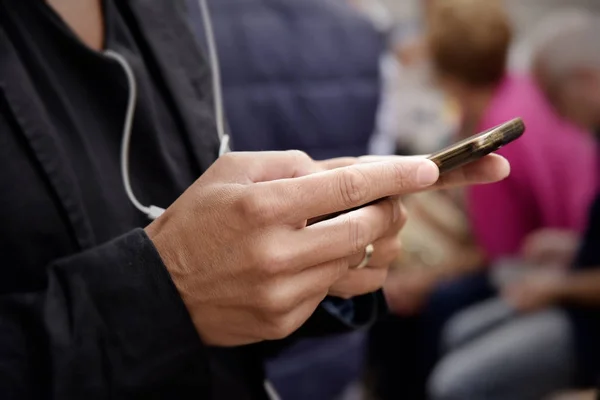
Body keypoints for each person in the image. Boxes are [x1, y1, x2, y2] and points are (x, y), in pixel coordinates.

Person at [0, 0, 509, 399]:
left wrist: (316, 253)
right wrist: (166, 293)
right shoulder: (359, 34)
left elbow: (214, 239)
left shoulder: (173, 12)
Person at [370, 1, 597, 399]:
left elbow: (496, 256)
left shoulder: (500, 133)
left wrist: (422, 283)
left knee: (411, 309)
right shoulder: (517, 93)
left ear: (445, 73)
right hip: (559, 254)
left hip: (547, 280)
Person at [186, 1, 386, 398]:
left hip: (225, 326)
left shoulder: (187, 25)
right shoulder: (363, 32)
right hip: (336, 304)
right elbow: (379, 157)